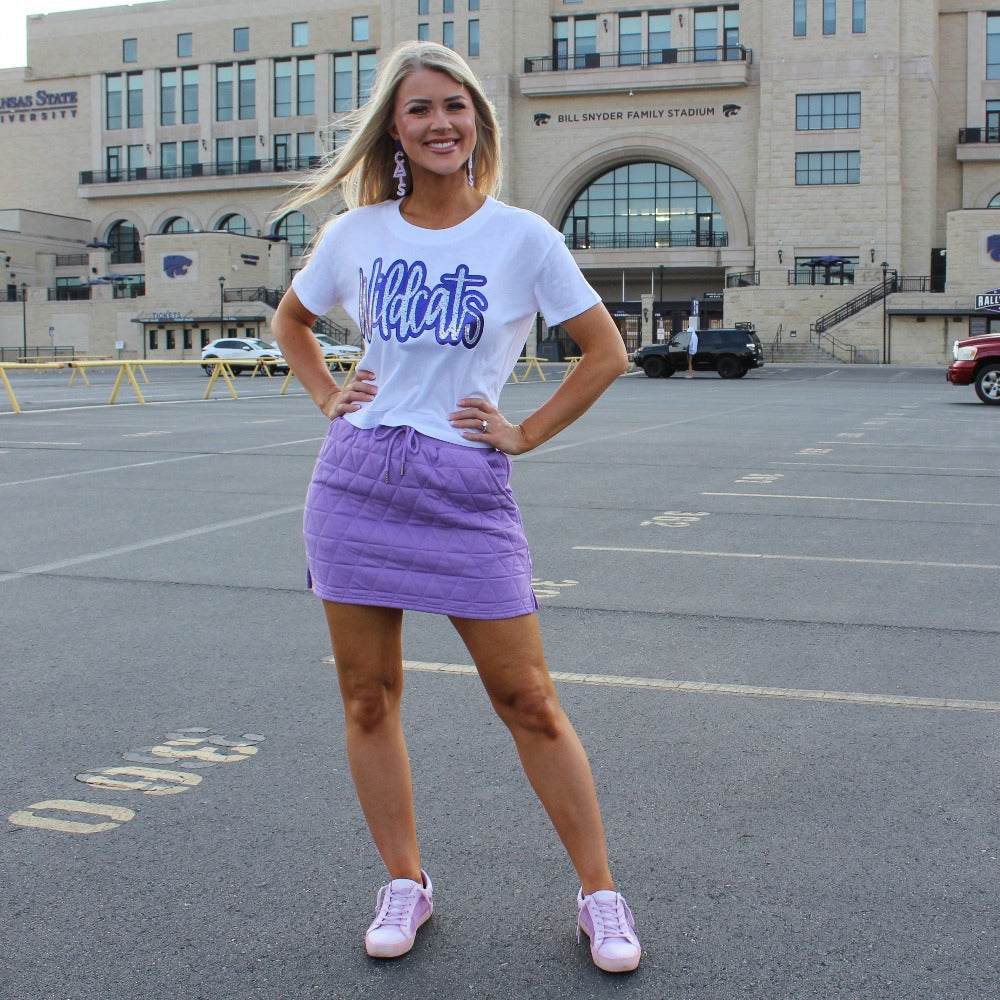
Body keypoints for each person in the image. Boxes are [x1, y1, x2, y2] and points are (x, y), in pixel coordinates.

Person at [271, 40, 641, 974]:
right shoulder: (357, 235)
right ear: (394, 131)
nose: (441, 124)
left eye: (455, 107)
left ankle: (602, 895)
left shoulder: (523, 238)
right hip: (357, 480)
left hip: (464, 488)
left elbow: (605, 352)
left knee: (528, 699)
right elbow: (292, 321)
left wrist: (526, 432)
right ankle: (406, 881)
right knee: (368, 697)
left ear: (478, 120)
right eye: (420, 110)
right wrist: (326, 395)